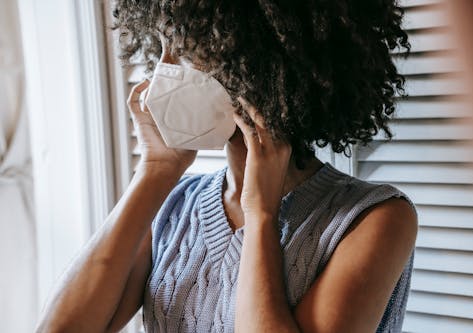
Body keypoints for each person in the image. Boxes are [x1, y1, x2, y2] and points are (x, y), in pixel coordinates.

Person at [36, 1, 418, 332]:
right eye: (163, 48)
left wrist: (262, 216)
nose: (162, 72)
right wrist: (155, 170)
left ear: (258, 62)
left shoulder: (376, 218)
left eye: (185, 51)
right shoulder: (175, 206)